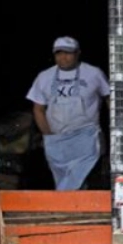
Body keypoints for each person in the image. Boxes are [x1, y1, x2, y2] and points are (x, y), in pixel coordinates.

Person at [26, 36, 110, 191]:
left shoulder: (94, 73)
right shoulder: (44, 77)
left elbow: (109, 99)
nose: (63, 57)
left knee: (83, 177)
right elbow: (38, 109)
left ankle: (71, 208)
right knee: (63, 179)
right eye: (59, 53)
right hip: (58, 139)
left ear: (77, 53)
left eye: (68, 53)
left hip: (86, 137)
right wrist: (48, 135)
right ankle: (68, 209)